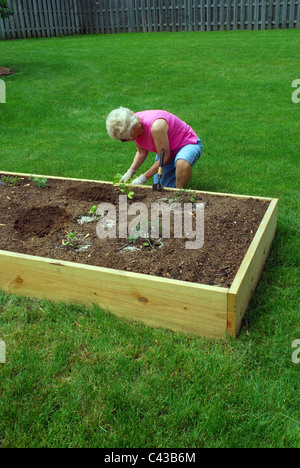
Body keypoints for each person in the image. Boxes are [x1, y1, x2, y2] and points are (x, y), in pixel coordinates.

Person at [106, 107, 203, 188]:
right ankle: (177, 173)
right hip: (167, 150)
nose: (125, 141)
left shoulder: (156, 126)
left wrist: (143, 178)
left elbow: (164, 157)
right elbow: (141, 152)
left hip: (187, 143)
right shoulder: (132, 123)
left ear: (134, 129)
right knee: (163, 188)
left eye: (124, 139)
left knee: (181, 163)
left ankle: (178, 196)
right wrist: (130, 172)